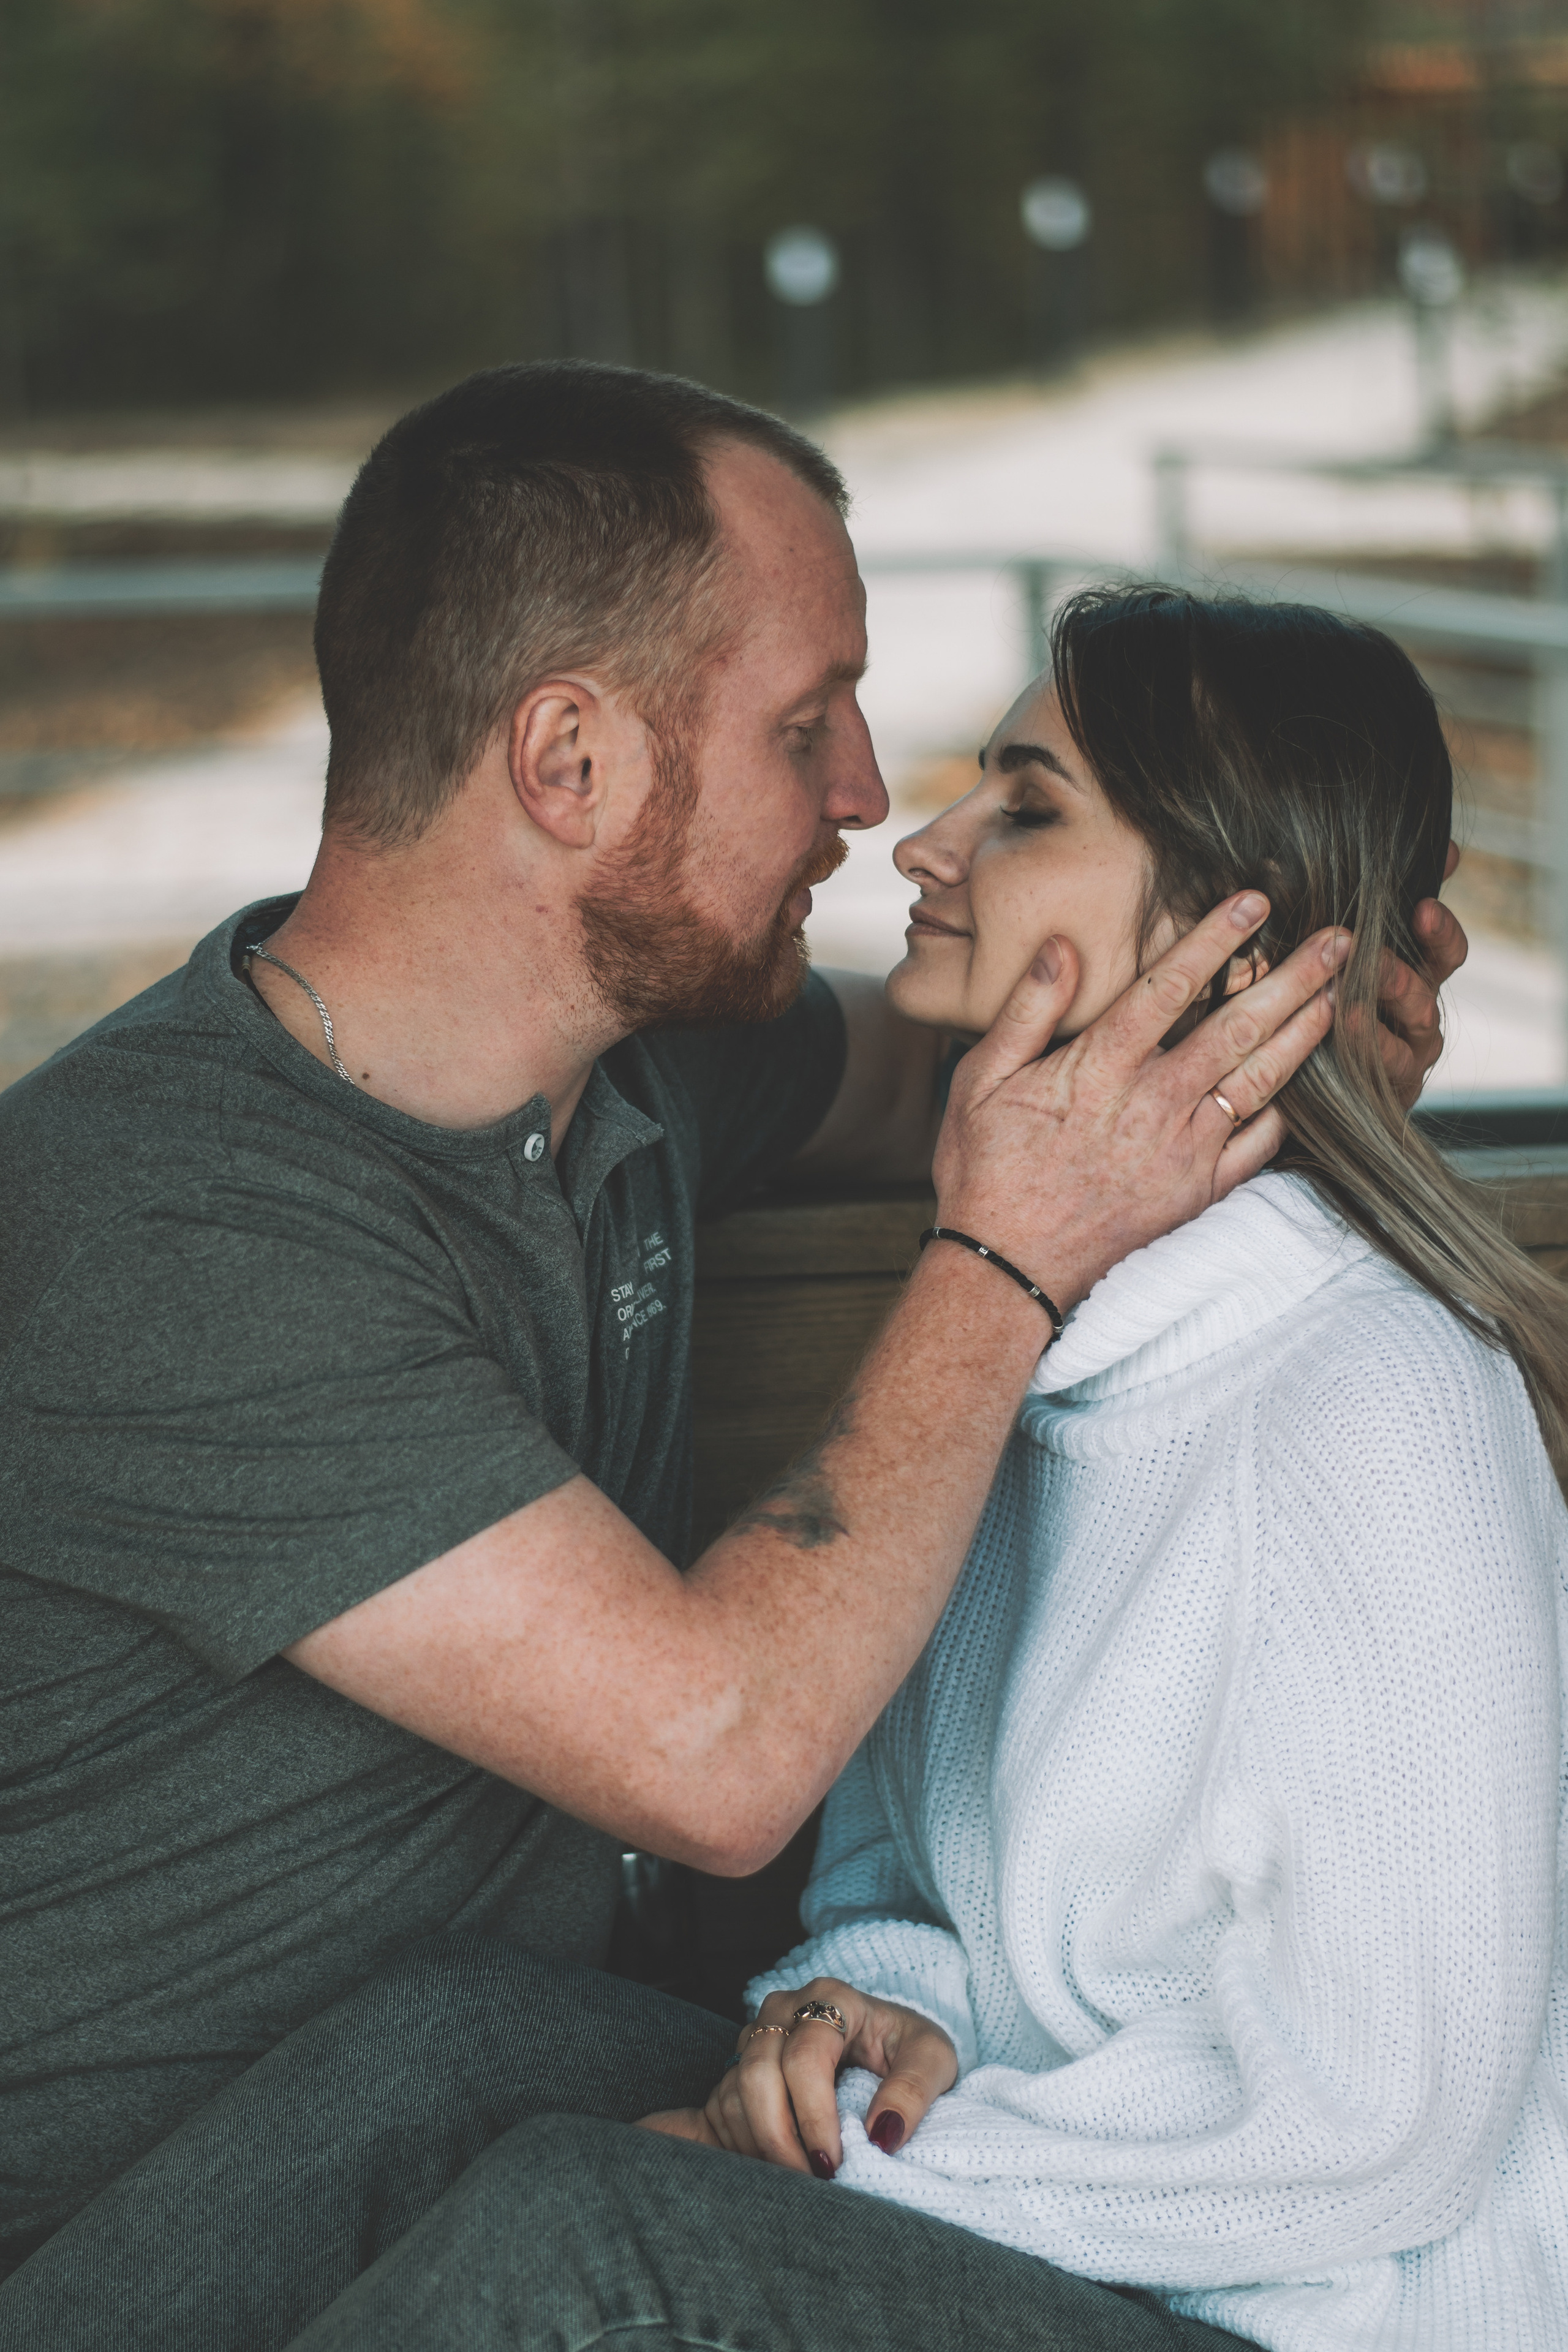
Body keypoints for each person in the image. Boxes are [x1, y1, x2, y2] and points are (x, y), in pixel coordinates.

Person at [0, 371, 1460, 2350]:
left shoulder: (652, 1071)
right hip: (140, 2237)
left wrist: (1312, 1005)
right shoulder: (166, 1214)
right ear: (570, 761)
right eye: (804, 722)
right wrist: (1001, 1260)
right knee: (528, 2163)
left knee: (473, 2062)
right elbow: (720, 1753)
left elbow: (967, 1064)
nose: (869, 795)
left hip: (460, 2090)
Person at [637, 589, 1568, 2352]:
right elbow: (899, 1898)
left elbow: (1388, 2131)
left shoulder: (1376, 1406)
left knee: (581, 2228)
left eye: (1029, 803)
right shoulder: (1013, 1365)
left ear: (1236, 942)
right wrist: (855, 2023)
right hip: (1065, 2252)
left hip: (1335, 2319)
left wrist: (877, 2171)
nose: (927, 838)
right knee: (459, 2079)